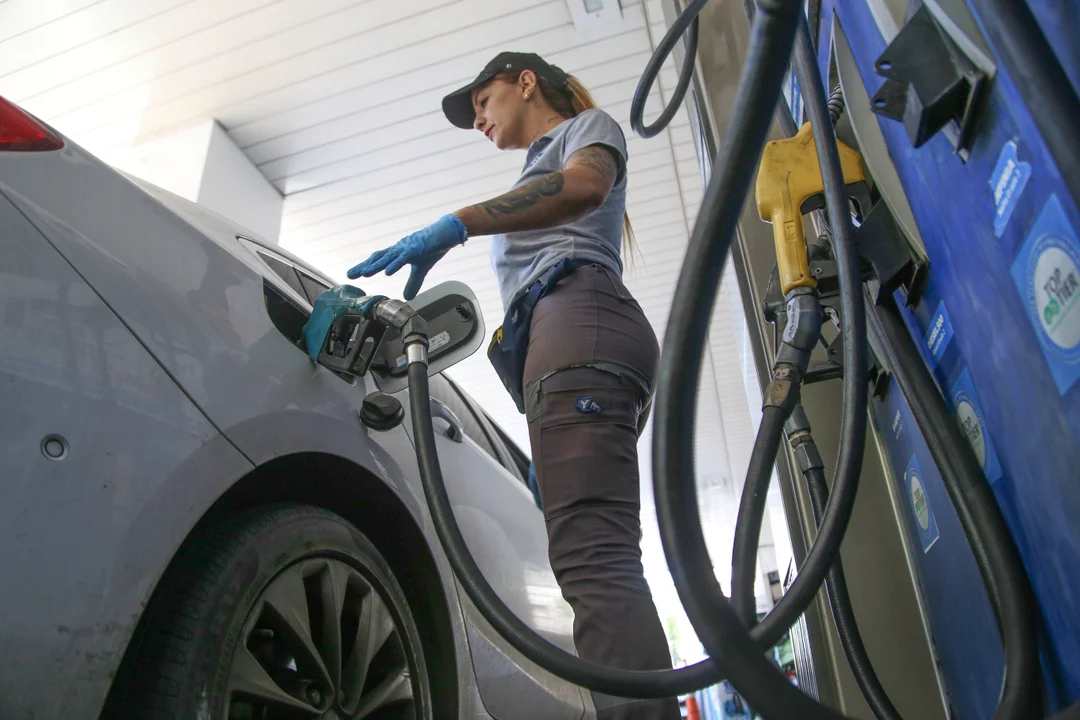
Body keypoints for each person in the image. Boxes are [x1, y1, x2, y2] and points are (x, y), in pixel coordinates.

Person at [348, 52, 679, 719]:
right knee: (598, 557)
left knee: (595, 561)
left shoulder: (586, 130)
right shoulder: (539, 166)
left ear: (526, 83)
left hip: (581, 326)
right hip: (580, 341)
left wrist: (459, 222)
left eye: (482, 101)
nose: (478, 120)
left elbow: (585, 186)